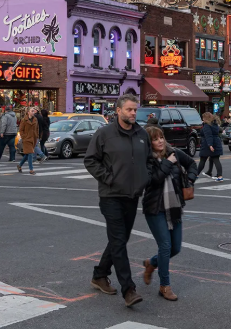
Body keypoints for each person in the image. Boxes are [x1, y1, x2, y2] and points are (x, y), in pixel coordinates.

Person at [84, 94, 151, 307]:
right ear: (119, 111)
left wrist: (145, 177)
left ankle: (99, 274)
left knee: (118, 239)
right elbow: (90, 160)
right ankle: (128, 289)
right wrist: (108, 178)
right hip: (110, 195)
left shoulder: (142, 134)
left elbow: (148, 160)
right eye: (130, 110)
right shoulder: (104, 134)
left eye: (135, 110)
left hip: (132, 196)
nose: (133, 113)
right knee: (119, 240)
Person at [141, 125, 198, 301]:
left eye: (161, 137)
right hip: (155, 208)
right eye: (155, 139)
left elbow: (192, 164)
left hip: (174, 207)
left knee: (175, 248)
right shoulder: (146, 160)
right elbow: (154, 180)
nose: (160, 141)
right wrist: (168, 163)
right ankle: (164, 286)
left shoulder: (174, 152)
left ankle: (152, 263)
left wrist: (189, 179)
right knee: (165, 246)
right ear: (149, 143)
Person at [198, 112, 224, 180]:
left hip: (207, 145)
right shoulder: (214, 124)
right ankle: (219, 176)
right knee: (215, 159)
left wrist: (210, 145)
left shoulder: (207, 126)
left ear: (206, 118)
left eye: (203, 118)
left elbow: (208, 136)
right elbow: (218, 131)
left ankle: (196, 174)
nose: (202, 119)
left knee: (202, 160)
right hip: (217, 143)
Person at [17, 108, 39, 175]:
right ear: (28, 112)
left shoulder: (35, 119)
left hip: (33, 139)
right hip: (27, 139)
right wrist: (24, 137)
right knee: (30, 153)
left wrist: (37, 135)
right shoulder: (24, 120)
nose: (33, 112)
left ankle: (20, 165)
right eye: (32, 111)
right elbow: (21, 130)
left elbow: (37, 128)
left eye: (33, 111)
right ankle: (31, 169)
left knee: (27, 154)